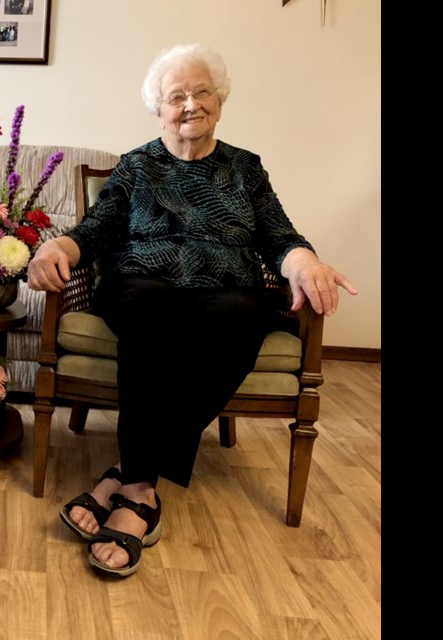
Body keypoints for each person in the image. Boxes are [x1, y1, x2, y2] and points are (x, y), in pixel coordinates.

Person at [26, 43, 357, 579]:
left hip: (224, 290)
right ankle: (139, 492)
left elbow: (280, 234)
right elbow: (97, 230)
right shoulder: (137, 165)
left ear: (220, 102)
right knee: (153, 308)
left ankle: (129, 480)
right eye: (176, 95)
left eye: (202, 92)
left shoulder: (245, 169)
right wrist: (55, 249)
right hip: (141, 282)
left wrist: (303, 262)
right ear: (158, 108)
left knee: (238, 315)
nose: (190, 105)